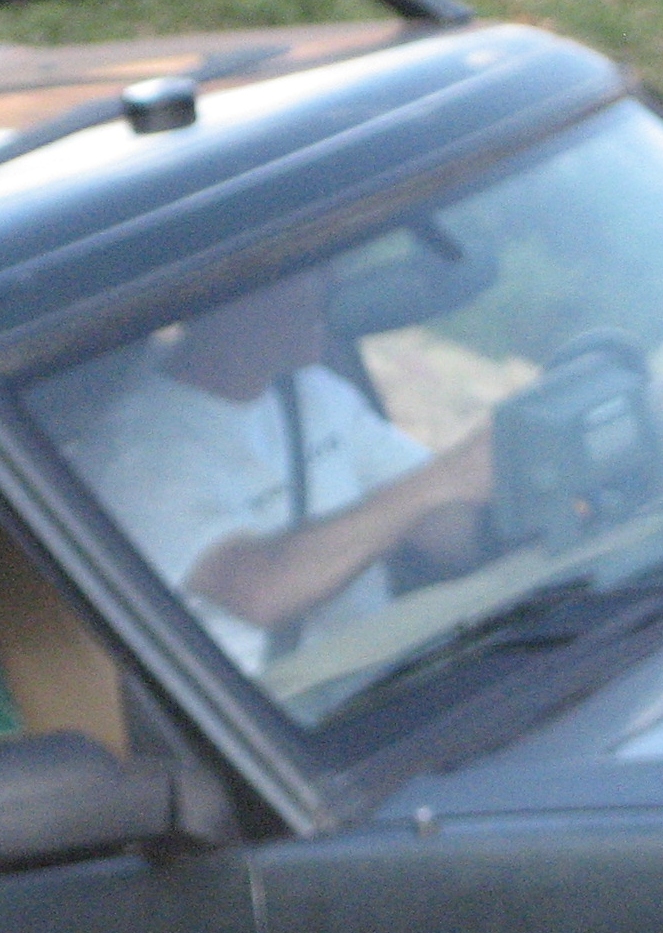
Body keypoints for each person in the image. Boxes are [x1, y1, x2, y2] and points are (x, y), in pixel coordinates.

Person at [75, 270, 493, 673]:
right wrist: (443, 480)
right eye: (305, 271)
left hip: (386, 668)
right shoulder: (138, 454)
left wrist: (493, 499)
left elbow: (442, 525)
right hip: (278, 703)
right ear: (230, 302)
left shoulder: (314, 390)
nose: (331, 285)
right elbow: (259, 591)